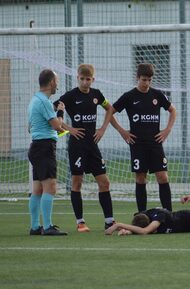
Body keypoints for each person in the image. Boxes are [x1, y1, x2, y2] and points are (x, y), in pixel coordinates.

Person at [54, 64, 115, 232]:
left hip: (92, 145)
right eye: (82, 79)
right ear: (78, 78)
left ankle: (109, 221)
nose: (85, 82)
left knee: (104, 182)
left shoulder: (97, 95)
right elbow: (53, 110)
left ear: (93, 79)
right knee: (77, 182)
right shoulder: (70, 96)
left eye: (88, 79)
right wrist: (68, 128)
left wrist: (102, 128)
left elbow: (110, 108)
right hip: (77, 146)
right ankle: (80, 222)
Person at [111, 63, 176, 212]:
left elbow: (173, 111)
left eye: (149, 80)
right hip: (137, 143)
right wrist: (122, 131)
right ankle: (142, 214)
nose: (147, 83)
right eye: (144, 80)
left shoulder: (157, 95)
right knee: (141, 178)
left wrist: (167, 130)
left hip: (155, 143)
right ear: (137, 78)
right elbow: (110, 112)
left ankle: (169, 214)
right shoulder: (129, 96)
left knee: (163, 177)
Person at [27, 69, 67, 236]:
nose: (57, 84)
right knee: (50, 187)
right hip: (44, 148)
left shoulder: (34, 100)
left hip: (36, 147)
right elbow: (57, 126)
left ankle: (35, 226)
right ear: (51, 82)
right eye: (56, 81)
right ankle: (48, 226)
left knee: (37, 189)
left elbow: (30, 128)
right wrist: (60, 112)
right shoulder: (44, 101)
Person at [105, 208, 190, 235]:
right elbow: (138, 227)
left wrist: (119, 225)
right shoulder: (141, 215)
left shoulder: (160, 216)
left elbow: (144, 231)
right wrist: (127, 231)